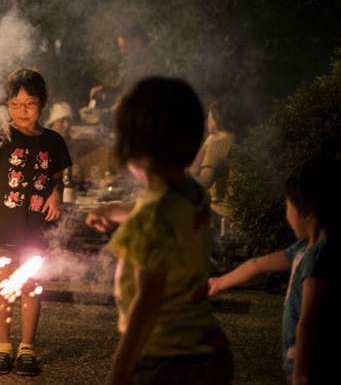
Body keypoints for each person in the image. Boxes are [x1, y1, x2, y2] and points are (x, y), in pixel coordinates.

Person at [84, 76, 233, 385]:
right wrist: (112, 209)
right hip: (209, 350)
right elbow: (159, 208)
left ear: (132, 145)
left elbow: (147, 303)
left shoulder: (150, 220)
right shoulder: (192, 193)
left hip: (165, 361)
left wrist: (120, 370)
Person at [208, 158, 338, 385]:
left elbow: (309, 320)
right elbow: (257, 264)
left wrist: (300, 373)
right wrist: (220, 282)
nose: (286, 210)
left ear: (306, 210)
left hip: (312, 367)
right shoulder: (303, 249)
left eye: (288, 204)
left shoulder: (318, 258)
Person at [0, 68, 72, 376]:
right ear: (6, 104)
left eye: (29, 103)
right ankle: (3, 346)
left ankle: (27, 348)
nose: (22, 110)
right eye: (15, 104)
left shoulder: (54, 141)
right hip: (3, 222)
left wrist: (57, 194)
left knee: (31, 285)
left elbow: (61, 179)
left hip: (37, 224)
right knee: (4, 283)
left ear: (42, 103)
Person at [189, 97, 241, 265]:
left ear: (217, 119)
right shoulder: (237, 141)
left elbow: (204, 182)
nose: (206, 121)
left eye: (209, 116)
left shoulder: (217, 145)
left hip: (221, 211)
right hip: (239, 207)